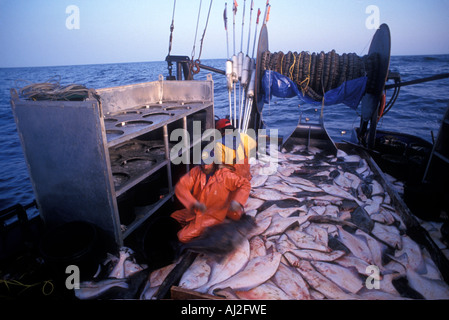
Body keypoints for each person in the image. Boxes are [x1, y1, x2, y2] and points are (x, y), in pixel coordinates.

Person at [170, 149, 251, 243]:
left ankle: (204, 240)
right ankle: (195, 228)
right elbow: (181, 186)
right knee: (174, 217)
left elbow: (244, 184)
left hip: (213, 215)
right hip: (198, 210)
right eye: (202, 163)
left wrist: (237, 201)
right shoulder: (196, 171)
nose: (205, 166)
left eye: (208, 163)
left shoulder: (225, 175)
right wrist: (193, 203)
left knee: (182, 236)